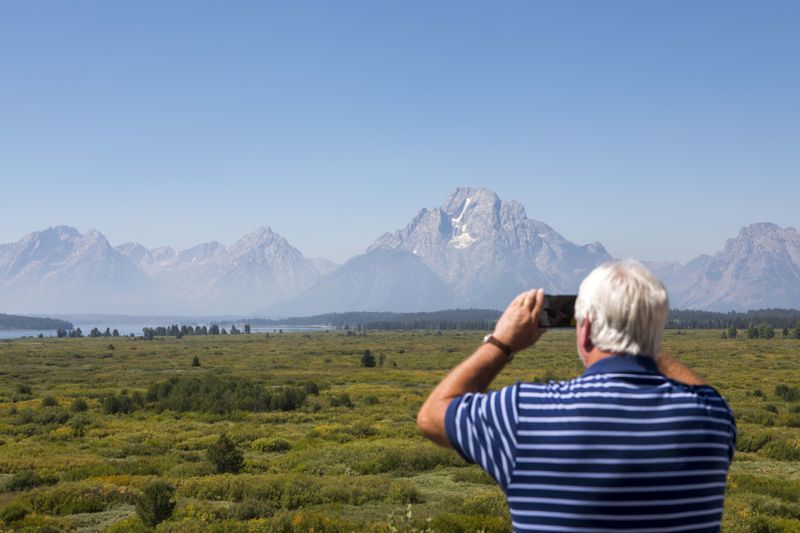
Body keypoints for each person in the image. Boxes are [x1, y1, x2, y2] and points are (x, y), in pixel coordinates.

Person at [417, 260, 736, 532]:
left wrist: (503, 342)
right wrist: (641, 338)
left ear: (584, 331)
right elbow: (702, 391)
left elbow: (432, 415)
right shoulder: (712, 418)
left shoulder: (523, 413)